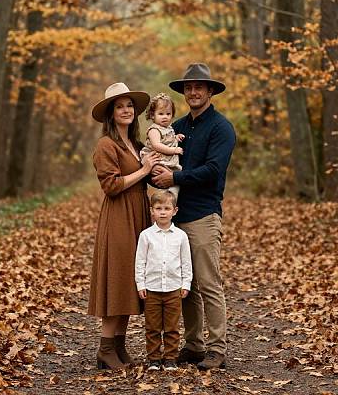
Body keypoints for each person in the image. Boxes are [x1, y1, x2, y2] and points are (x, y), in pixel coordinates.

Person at [152, 62, 236, 371]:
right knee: (185, 284)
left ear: (211, 90)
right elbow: (163, 163)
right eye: (188, 87)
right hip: (175, 217)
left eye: (199, 86)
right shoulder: (179, 128)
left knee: (207, 282)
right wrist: (156, 174)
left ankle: (217, 348)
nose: (193, 91)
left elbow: (213, 171)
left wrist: (175, 178)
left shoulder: (222, 128)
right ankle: (194, 345)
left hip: (203, 214)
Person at [88, 82, 161, 370]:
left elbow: (151, 174)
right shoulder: (106, 144)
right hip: (119, 215)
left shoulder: (136, 144)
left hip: (138, 213)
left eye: (129, 105)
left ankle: (118, 346)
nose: (126, 110)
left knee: (132, 278)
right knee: (118, 276)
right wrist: (143, 171)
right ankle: (105, 348)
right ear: (111, 113)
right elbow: (111, 185)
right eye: (120, 106)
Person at [135, 190, 192, 371]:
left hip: (174, 289)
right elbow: (140, 261)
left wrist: (186, 283)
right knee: (152, 327)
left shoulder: (181, 236)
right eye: (158, 208)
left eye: (166, 208)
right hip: (151, 289)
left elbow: (186, 262)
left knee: (172, 327)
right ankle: (153, 359)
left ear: (174, 211)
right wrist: (140, 284)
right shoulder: (146, 235)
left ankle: (170, 358)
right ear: (152, 211)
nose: (162, 212)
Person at [140, 93, 185, 199]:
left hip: (169, 164)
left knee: (175, 188)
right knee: (163, 188)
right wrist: (173, 150)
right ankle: (161, 205)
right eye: (161, 114)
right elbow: (157, 145)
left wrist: (176, 138)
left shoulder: (169, 128)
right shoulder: (154, 130)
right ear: (152, 115)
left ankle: (170, 204)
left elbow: (167, 140)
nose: (165, 117)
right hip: (160, 162)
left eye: (168, 114)